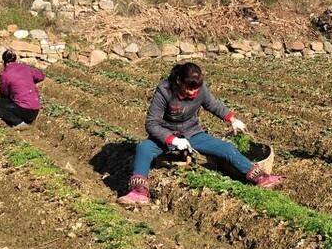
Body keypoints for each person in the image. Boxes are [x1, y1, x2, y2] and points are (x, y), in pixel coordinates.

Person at [118, 62, 281, 205]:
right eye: (189, 88)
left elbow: (213, 104)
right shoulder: (165, 90)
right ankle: (139, 191)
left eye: (195, 89)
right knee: (144, 149)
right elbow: (151, 122)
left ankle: (260, 177)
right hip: (167, 134)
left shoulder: (199, 89)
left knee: (226, 148)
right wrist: (172, 139)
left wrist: (232, 119)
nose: (192, 93)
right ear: (178, 81)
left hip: (193, 133)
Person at [0, 49, 43, 128]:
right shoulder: (26, 68)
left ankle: (19, 123)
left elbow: (4, 93)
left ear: (4, 62)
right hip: (35, 108)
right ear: (16, 59)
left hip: (24, 110)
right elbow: (41, 76)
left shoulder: (5, 74)